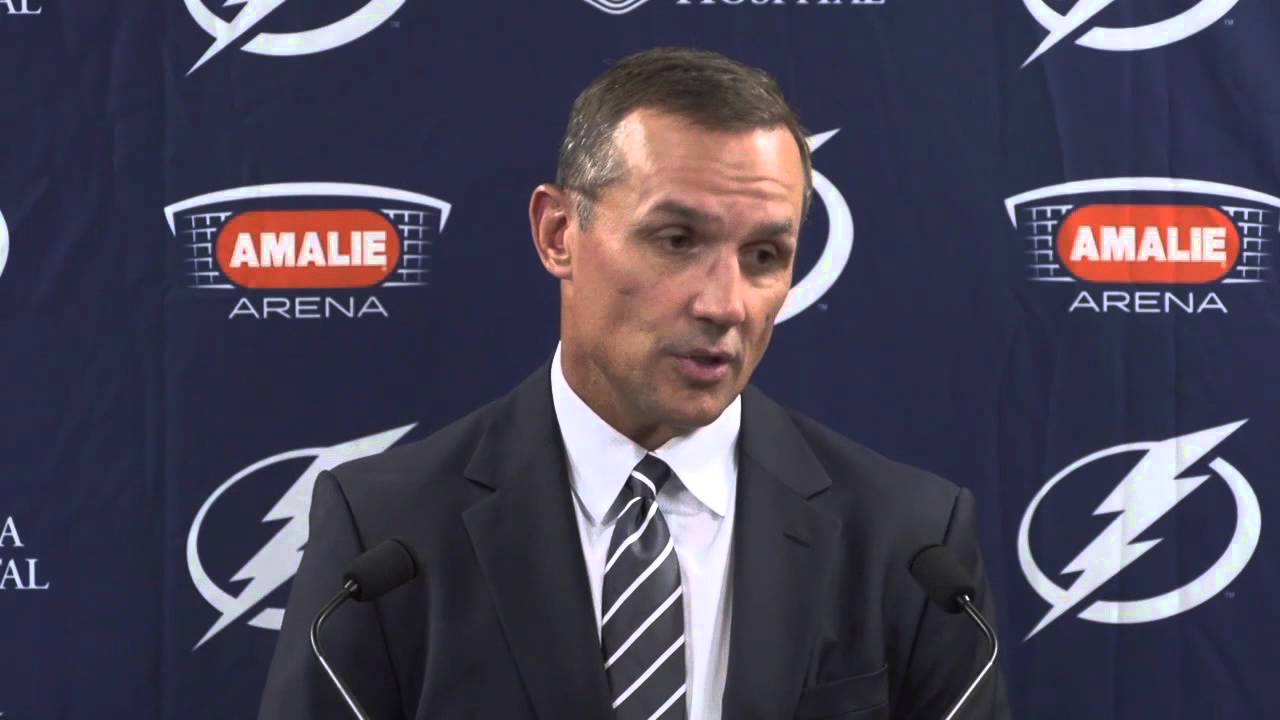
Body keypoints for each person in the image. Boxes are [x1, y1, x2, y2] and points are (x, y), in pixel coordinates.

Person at [258, 47, 1011, 720]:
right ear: (559, 234)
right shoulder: (386, 537)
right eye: (677, 240)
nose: (724, 304)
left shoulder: (911, 544)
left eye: (763, 256)